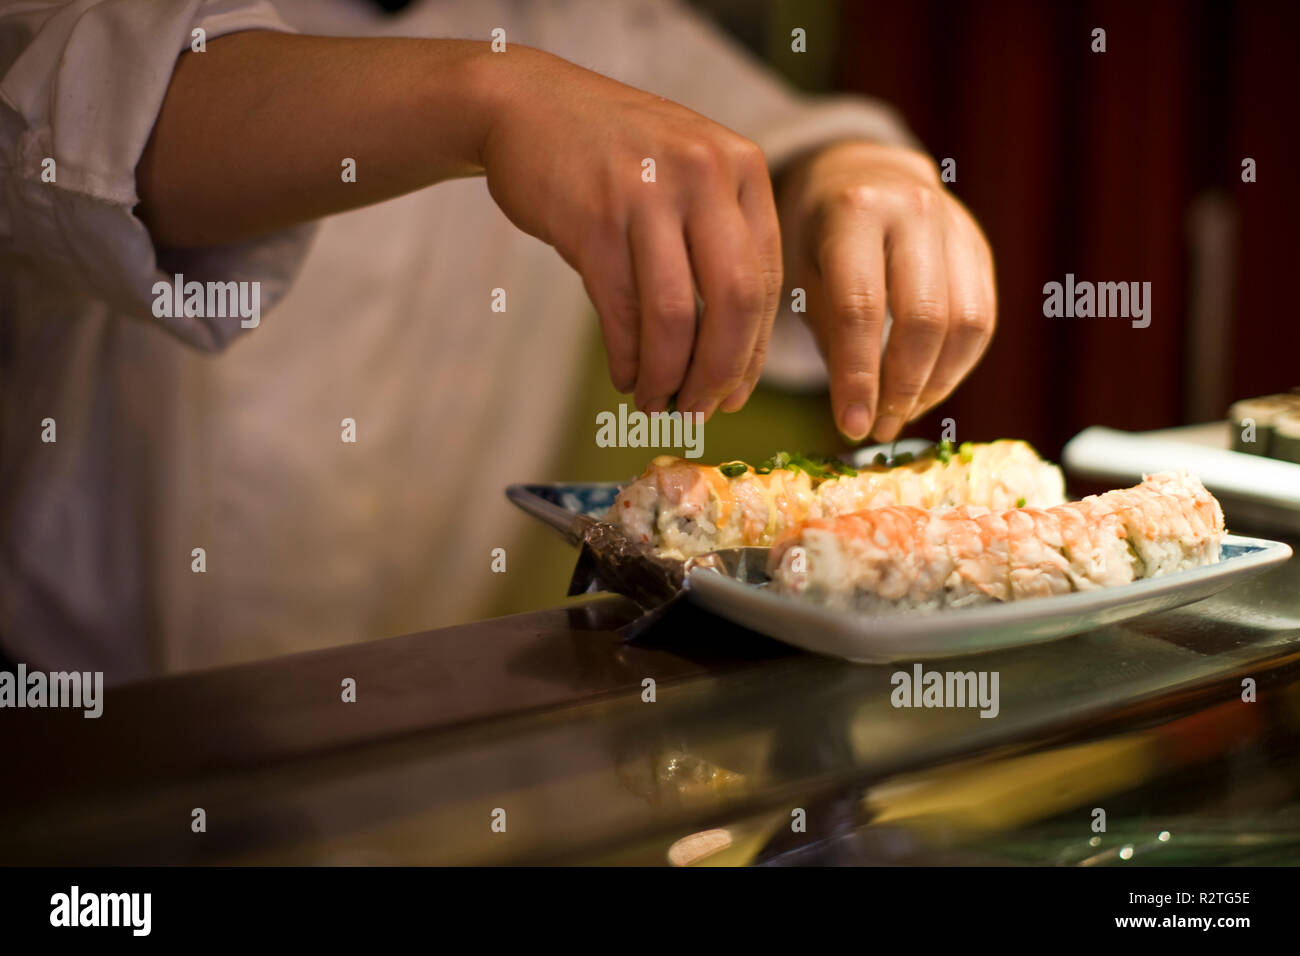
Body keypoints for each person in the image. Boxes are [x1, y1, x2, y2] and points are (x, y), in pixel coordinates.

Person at [0, 0, 995, 684]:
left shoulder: (587, 19)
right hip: (73, 713)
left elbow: (760, 144)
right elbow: (69, 115)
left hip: (411, 724)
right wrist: (489, 97)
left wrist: (854, 172)